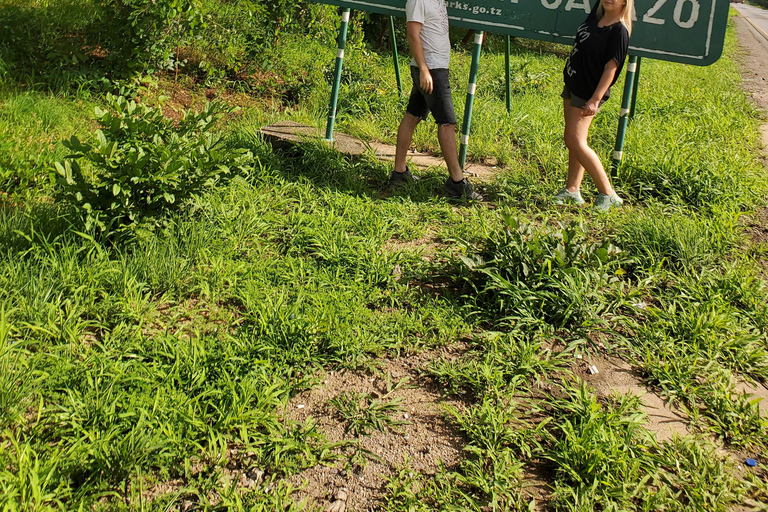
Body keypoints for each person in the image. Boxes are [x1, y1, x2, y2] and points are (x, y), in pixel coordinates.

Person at [391, 0, 481, 200]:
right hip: (431, 69)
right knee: (447, 123)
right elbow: (413, 34)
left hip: (433, 68)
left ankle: (399, 173)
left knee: (412, 115)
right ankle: (457, 182)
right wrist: (424, 70)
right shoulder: (418, 1)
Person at [553, 0, 632, 211]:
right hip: (573, 84)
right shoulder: (595, 17)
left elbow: (611, 69)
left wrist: (595, 99)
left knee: (574, 140)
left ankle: (608, 193)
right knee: (575, 141)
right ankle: (572, 190)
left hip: (589, 92)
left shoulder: (619, 31)